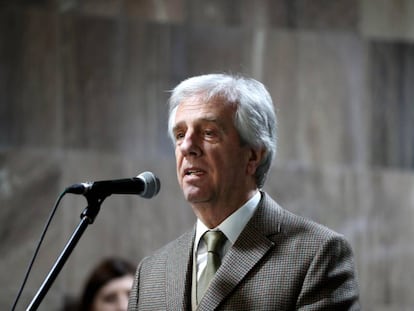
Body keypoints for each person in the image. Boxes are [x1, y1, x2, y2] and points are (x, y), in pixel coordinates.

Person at [128, 73, 360, 310]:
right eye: (180, 135)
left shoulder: (318, 254)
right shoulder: (151, 273)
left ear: (253, 155)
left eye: (208, 133)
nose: (187, 146)